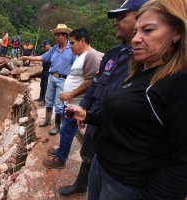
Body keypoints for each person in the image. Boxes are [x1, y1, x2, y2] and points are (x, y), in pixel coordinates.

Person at [66, 0, 187, 199]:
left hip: (126, 182)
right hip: (103, 165)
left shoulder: (178, 82)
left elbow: (182, 162)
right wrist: (89, 115)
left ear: (177, 32)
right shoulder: (139, 71)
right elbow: (129, 120)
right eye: (136, 32)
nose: (137, 39)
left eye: (148, 30)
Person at [58, 0, 148, 196]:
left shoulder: (146, 59)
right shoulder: (113, 54)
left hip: (119, 133)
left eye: (122, 16)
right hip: (97, 119)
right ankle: (82, 184)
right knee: (89, 155)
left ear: (144, 15)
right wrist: (84, 109)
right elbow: (97, 84)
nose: (116, 22)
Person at [43, 28, 103, 169]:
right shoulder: (80, 56)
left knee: (67, 130)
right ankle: (61, 151)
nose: (70, 46)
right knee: (65, 129)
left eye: (72, 43)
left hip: (76, 104)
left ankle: (60, 159)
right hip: (71, 102)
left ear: (82, 40)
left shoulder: (91, 55)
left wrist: (71, 94)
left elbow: (90, 82)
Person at [22, 24, 76, 135]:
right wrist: (28, 57)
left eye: (58, 35)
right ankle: (47, 120)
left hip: (63, 80)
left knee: (59, 104)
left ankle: (57, 126)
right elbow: (42, 57)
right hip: (51, 77)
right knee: (49, 100)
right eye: (55, 35)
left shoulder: (71, 49)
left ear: (64, 35)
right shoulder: (54, 49)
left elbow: (75, 65)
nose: (56, 37)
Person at [34, 40, 51, 106]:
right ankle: (40, 97)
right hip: (44, 70)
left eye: (44, 46)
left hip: (49, 71)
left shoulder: (53, 51)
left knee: (46, 86)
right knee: (42, 85)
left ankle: (44, 101)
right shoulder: (44, 52)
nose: (44, 47)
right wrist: (28, 58)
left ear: (48, 44)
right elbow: (36, 56)